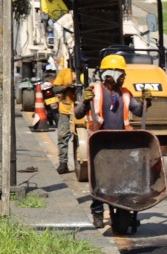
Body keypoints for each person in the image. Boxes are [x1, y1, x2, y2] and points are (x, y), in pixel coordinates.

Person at [74, 54, 145, 229]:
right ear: (109, 74)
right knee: (100, 180)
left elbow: (139, 111)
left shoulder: (126, 93)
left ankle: (125, 209)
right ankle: (97, 212)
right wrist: (84, 102)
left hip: (121, 144)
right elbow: (78, 114)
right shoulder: (94, 91)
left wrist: (146, 102)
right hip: (100, 143)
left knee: (125, 179)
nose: (123, 77)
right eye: (120, 74)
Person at [51, 66, 76, 174]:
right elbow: (55, 89)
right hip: (66, 110)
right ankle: (63, 163)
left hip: (81, 110)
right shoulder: (65, 72)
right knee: (62, 136)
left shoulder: (88, 72)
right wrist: (66, 87)